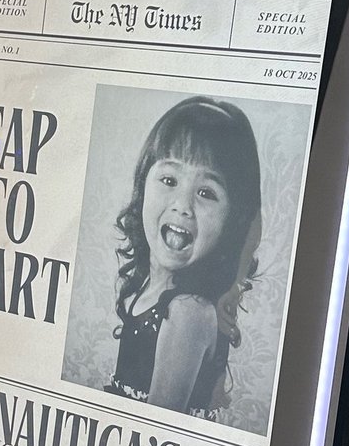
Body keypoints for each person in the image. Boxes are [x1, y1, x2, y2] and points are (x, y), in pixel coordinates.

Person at [107, 96, 262, 419]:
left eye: (206, 193)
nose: (182, 205)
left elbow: (154, 431)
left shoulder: (187, 313)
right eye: (169, 180)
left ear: (231, 221)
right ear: (142, 186)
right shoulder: (152, 291)